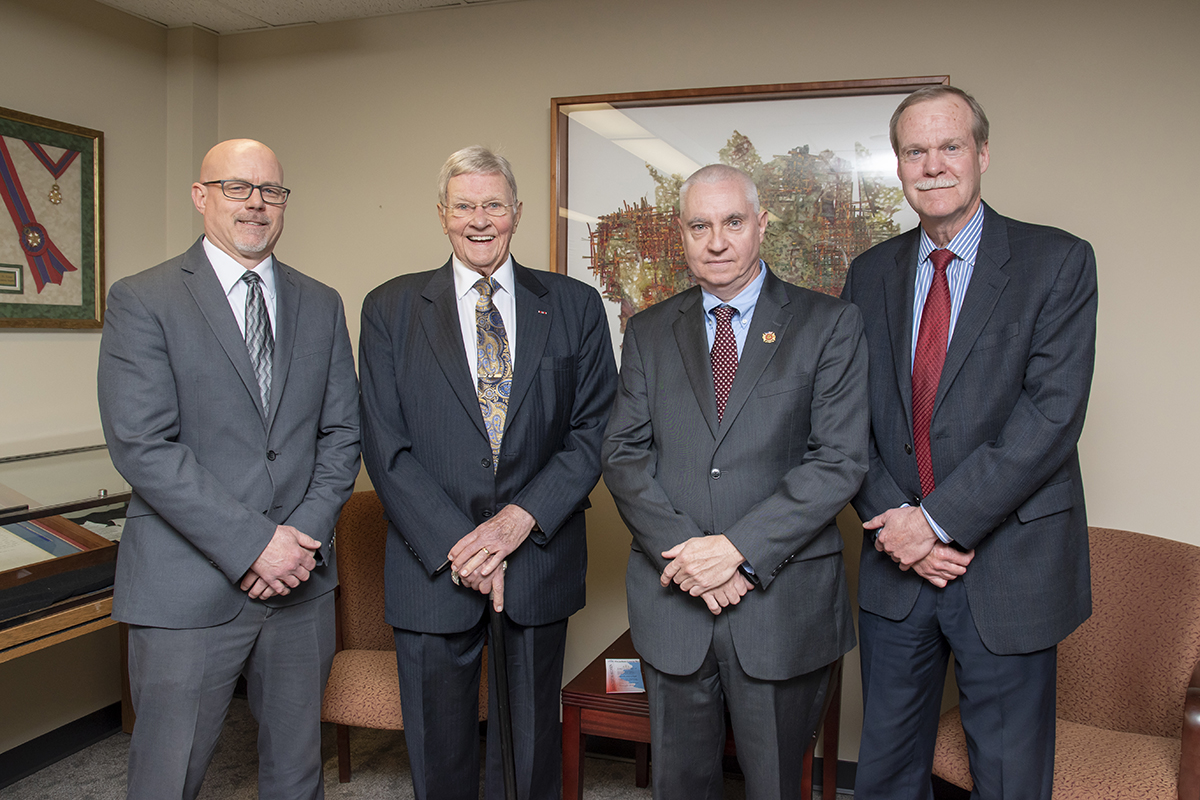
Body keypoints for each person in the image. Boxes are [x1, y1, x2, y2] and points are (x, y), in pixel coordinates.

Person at [841, 86, 1097, 800]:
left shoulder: (1058, 262)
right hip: (897, 566)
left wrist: (936, 523)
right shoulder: (869, 274)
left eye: (949, 146)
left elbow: (1051, 417)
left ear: (982, 153)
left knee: (1010, 780)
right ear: (897, 166)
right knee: (886, 775)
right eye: (914, 151)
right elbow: (844, 419)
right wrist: (902, 526)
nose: (933, 165)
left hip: (1008, 568)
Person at [97, 138, 361, 800]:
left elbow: (340, 432)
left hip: (301, 583)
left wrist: (297, 537)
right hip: (187, 586)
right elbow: (143, 445)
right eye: (237, 188)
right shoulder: (143, 298)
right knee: (168, 774)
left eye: (271, 191)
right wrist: (255, 545)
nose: (256, 205)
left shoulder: (321, 302)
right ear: (201, 196)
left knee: (298, 774)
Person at [602, 163, 868, 800]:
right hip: (675, 598)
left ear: (761, 225)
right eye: (700, 225)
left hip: (780, 605)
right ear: (683, 234)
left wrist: (736, 552)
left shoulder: (828, 325)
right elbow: (622, 453)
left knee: (775, 784)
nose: (716, 241)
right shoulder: (647, 331)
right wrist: (692, 557)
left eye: (732, 222)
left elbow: (838, 461)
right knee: (678, 784)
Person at [358, 146, 617, 800]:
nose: (480, 220)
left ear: (517, 213)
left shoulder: (574, 305)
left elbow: (594, 432)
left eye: (494, 205)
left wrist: (514, 525)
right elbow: (385, 445)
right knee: (437, 750)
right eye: (466, 205)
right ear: (443, 214)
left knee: (529, 752)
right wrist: (464, 546)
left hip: (536, 554)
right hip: (432, 562)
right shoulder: (388, 309)